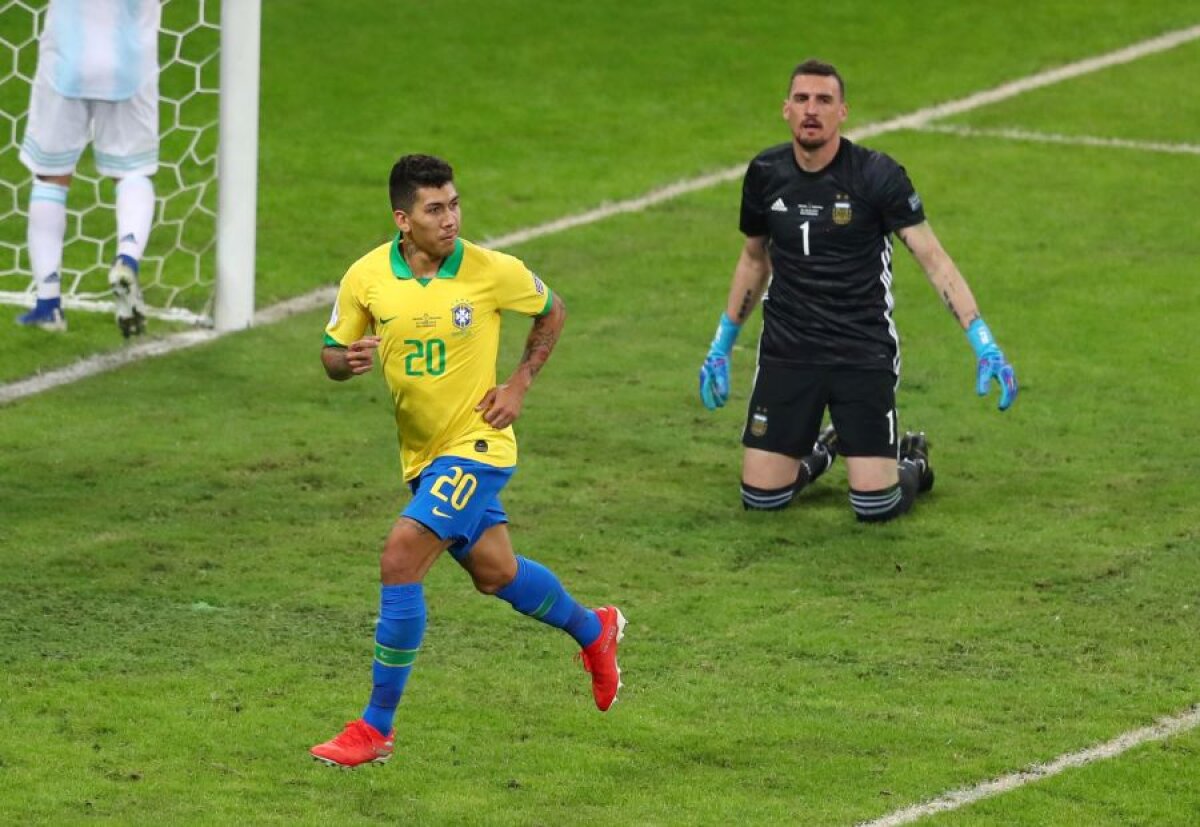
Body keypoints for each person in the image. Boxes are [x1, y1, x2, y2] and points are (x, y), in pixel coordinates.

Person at [311, 154, 626, 768]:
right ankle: (595, 630)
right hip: (424, 456)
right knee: (496, 574)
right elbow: (330, 349)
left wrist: (519, 384)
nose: (450, 218)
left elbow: (551, 310)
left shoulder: (490, 270)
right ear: (404, 219)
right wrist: (343, 361)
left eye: (454, 204)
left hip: (479, 446)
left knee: (401, 554)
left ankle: (375, 728)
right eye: (435, 209)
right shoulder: (366, 277)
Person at [698, 59, 1017, 522]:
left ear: (842, 112)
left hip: (861, 351)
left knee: (875, 507)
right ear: (786, 109)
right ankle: (826, 449)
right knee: (762, 501)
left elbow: (934, 258)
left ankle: (912, 461)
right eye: (802, 99)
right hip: (789, 351)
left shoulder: (877, 176)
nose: (812, 109)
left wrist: (983, 342)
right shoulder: (765, 173)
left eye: (824, 100)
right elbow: (754, 258)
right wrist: (720, 345)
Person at [16, 0, 159, 337]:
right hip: (129, 60)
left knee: (50, 176)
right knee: (132, 172)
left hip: (66, 56)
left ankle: (48, 305)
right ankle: (127, 258)